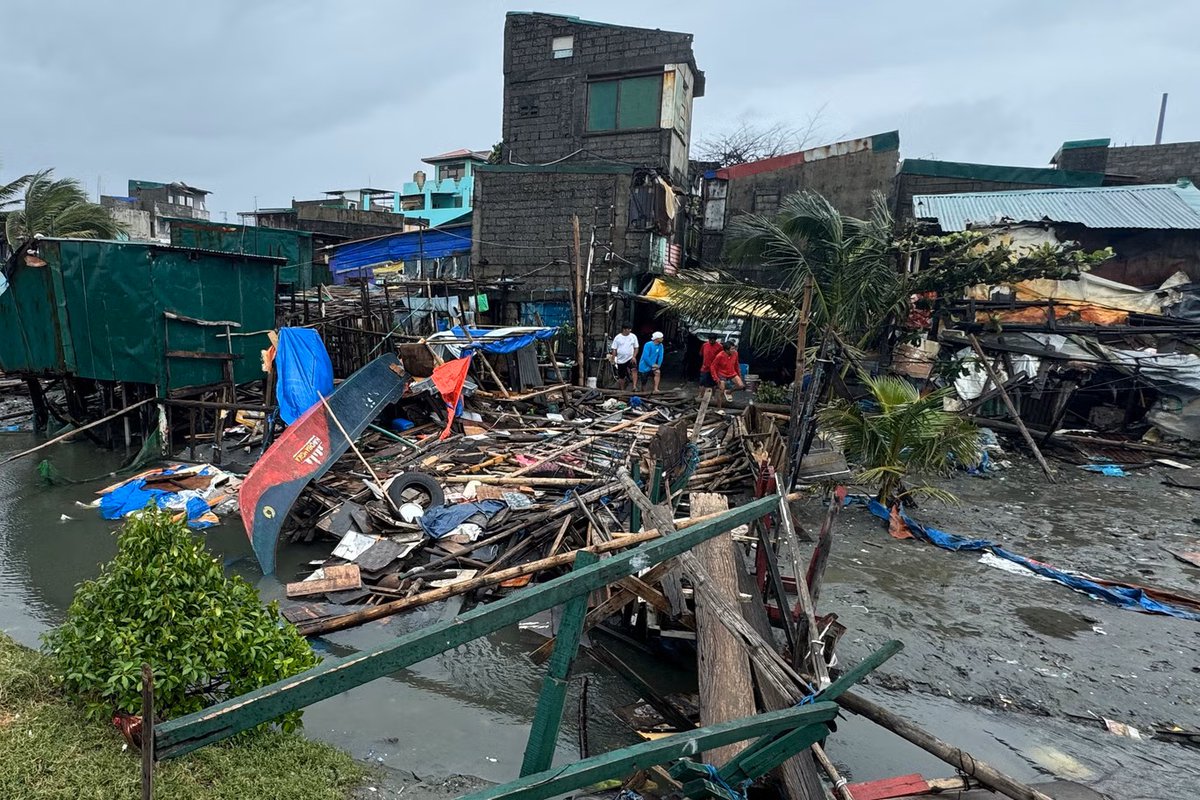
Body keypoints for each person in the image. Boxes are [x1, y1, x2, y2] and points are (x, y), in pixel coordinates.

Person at [709, 340, 744, 407]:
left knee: (741, 386)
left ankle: (729, 391)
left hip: (732, 372)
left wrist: (739, 375)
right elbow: (712, 367)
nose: (734, 350)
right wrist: (716, 378)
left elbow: (736, 364)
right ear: (727, 350)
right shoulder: (720, 356)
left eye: (734, 348)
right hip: (722, 374)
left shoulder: (735, 353)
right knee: (721, 390)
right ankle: (719, 408)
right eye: (732, 349)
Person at [609, 323, 639, 391]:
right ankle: (622, 390)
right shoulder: (618, 337)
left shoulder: (633, 336)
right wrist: (613, 358)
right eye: (628, 329)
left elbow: (636, 347)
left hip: (630, 357)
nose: (629, 330)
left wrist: (634, 356)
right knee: (621, 376)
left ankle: (634, 386)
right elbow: (614, 349)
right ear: (624, 329)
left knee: (634, 370)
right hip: (621, 360)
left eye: (630, 329)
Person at [698, 333, 722, 397]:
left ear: (715, 340)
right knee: (702, 382)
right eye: (710, 339)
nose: (711, 341)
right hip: (705, 367)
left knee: (713, 383)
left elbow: (722, 357)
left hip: (714, 368)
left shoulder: (719, 347)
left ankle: (712, 396)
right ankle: (700, 395)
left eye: (712, 340)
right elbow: (701, 354)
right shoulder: (704, 345)